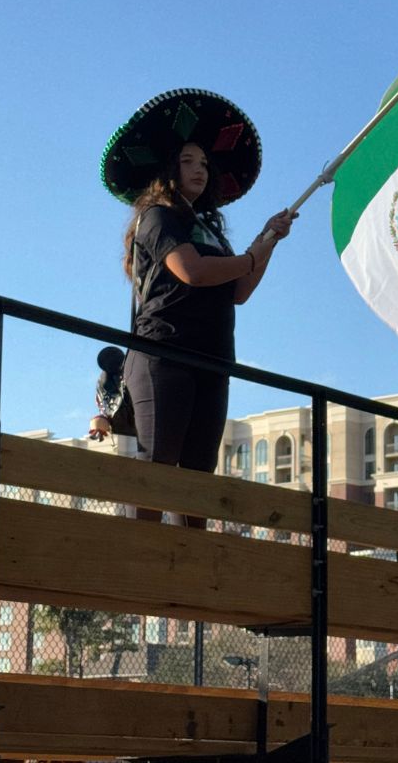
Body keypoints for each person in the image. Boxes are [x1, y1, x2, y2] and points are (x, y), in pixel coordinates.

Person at [100, 88, 295, 526]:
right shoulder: (157, 216)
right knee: (157, 465)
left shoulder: (209, 229)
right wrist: (249, 257)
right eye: (188, 160)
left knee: (198, 479)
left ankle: (188, 562)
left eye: (204, 163)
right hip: (163, 354)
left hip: (213, 359)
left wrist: (267, 241)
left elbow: (238, 289)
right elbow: (191, 270)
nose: (199, 169)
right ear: (168, 168)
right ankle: (134, 553)